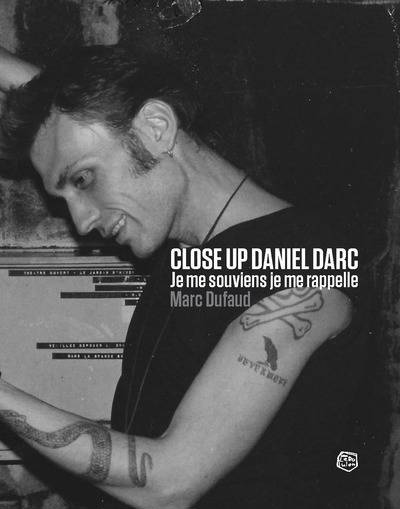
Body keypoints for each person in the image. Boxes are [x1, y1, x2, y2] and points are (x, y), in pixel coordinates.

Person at [0, 45, 368, 509]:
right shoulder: (190, 242)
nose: (82, 221)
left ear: (157, 129)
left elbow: (169, 482)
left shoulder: (305, 267)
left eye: (84, 181)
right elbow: (78, 116)